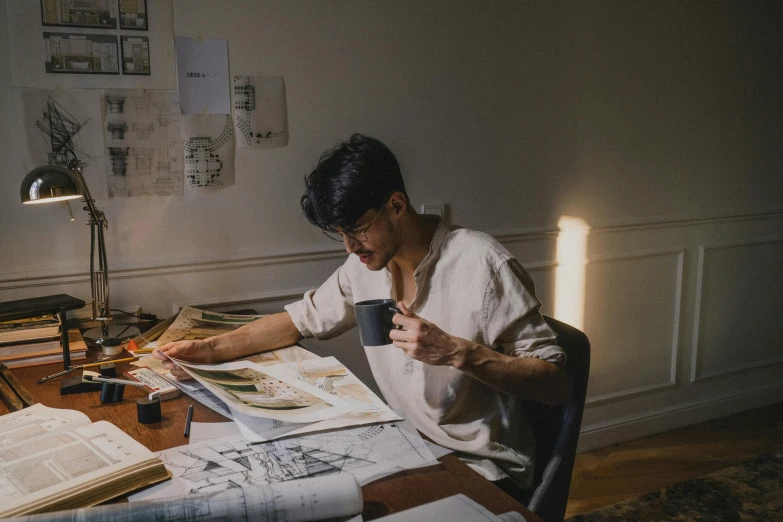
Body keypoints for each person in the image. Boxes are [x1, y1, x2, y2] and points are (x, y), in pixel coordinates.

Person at [153, 134, 567, 498]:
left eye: (359, 229)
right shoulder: (365, 266)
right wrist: (207, 350)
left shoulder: (483, 263)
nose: (350, 247)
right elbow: (298, 320)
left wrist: (459, 353)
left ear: (397, 205)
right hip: (407, 448)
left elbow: (554, 385)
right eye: (340, 234)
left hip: (483, 469)